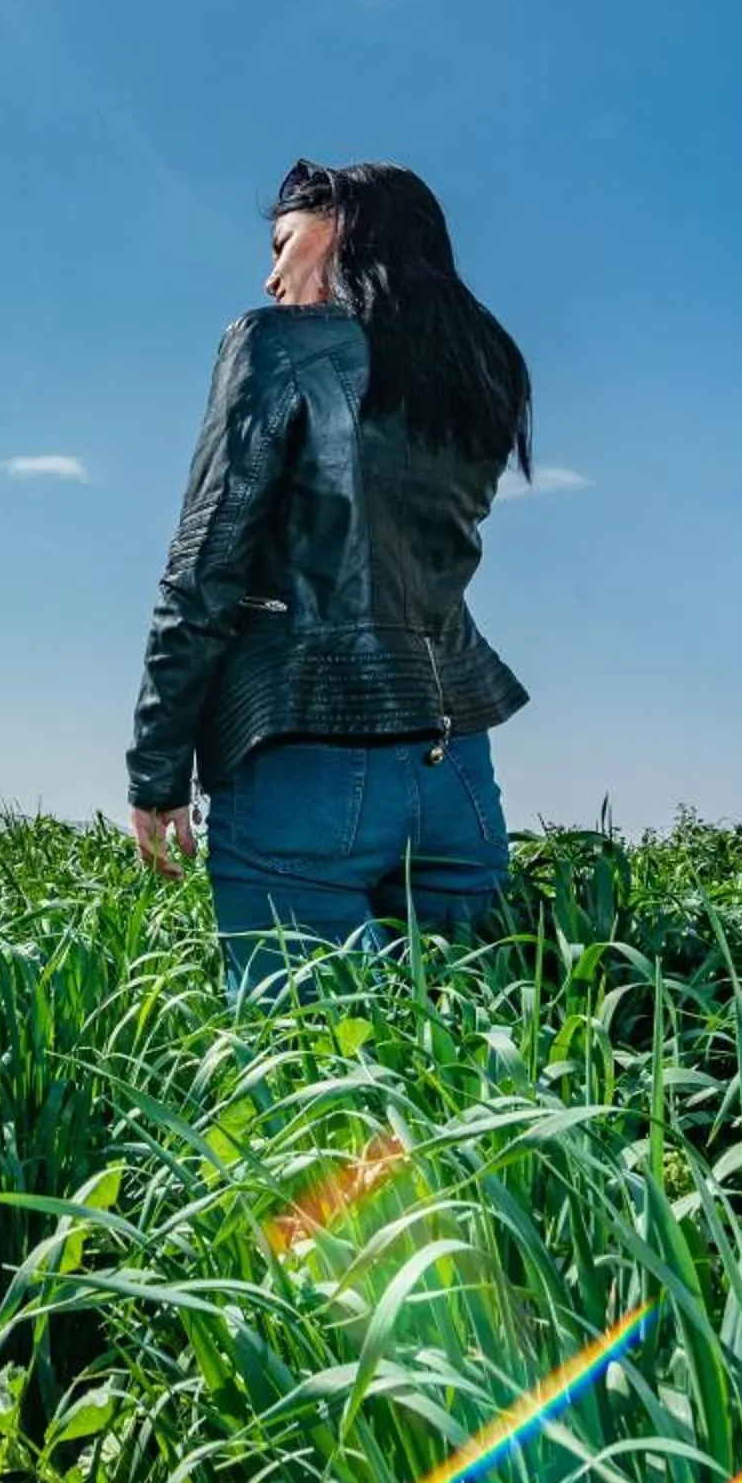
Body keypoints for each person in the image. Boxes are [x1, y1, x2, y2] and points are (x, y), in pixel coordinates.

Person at [125, 158, 532, 1003]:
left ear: (345, 225)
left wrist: (156, 770)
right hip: (457, 763)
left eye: (284, 243)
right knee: (466, 1058)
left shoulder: (276, 344)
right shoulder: (485, 365)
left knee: (306, 1063)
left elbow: (205, 564)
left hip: (304, 756)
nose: (271, 276)